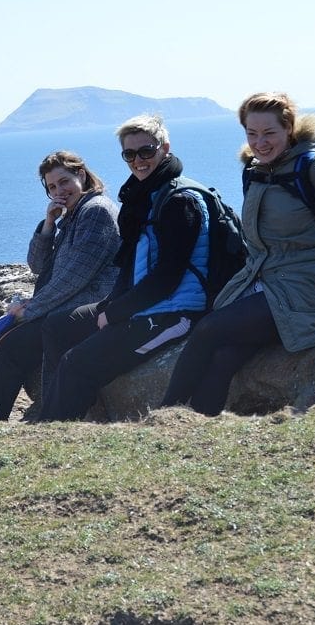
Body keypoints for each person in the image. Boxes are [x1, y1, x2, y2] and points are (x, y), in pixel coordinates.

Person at [160, 92, 315, 415]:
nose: (260, 142)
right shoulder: (256, 170)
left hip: (306, 288)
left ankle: (164, 418)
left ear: (289, 128)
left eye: (269, 132)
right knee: (224, 357)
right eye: (252, 133)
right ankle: (194, 428)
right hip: (264, 282)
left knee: (207, 330)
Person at [38, 114, 208, 421]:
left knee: (76, 363)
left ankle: (52, 427)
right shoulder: (143, 198)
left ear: (165, 148)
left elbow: (166, 279)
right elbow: (128, 264)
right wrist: (110, 305)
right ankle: (53, 413)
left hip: (176, 313)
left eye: (146, 151)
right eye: (129, 154)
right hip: (149, 303)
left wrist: (116, 313)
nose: (138, 161)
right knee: (57, 326)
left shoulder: (178, 201)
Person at [0, 151, 120, 420]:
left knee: (8, 349)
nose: (59, 191)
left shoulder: (97, 211)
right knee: (0, 345)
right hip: (63, 305)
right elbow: (37, 265)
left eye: (64, 181)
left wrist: (30, 310)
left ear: (81, 174)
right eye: (52, 187)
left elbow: (75, 276)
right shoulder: (73, 215)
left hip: (84, 309)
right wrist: (48, 224)